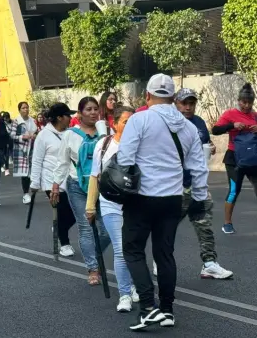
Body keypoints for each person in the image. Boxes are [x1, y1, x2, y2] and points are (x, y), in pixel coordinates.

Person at [118, 74, 208, 330]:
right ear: (173, 97)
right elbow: (199, 167)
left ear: (147, 96)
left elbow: (125, 159)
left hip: (142, 198)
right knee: (164, 254)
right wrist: (199, 199)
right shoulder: (189, 127)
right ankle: (167, 310)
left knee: (133, 251)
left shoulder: (140, 119)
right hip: (172, 199)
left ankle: (147, 307)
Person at [169, 89, 233, 279]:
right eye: (184, 103)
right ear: (176, 103)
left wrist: (211, 147)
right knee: (168, 226)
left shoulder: (198, 122)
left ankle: (209, 263)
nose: (188, 107)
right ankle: (160, 260)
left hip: (198, 183)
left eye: (191, 103)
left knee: (204, 225)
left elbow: (206, 141)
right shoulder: (170, 123)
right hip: (175, 185)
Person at [51, 97, 110, 286]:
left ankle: (94, 253)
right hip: (77, 186)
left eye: (95, 109)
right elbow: (62, 161)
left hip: (102, 186)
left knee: (107, 230)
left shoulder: (106, 132)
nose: (93, 113)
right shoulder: (70, 135)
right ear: (80, 113)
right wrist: (55, 185)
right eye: (88, 109)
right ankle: (93, 268)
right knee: (86, 227)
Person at [86, 106, 139, 312]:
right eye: (126, 122)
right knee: (120, 248)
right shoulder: (104, 144)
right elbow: (94, 175)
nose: (130, 126)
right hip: (110, 205)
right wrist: (90, 206)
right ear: (114, 124)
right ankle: (124, 294)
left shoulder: (140, 145)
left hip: (135, 206)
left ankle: (134, 285)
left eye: (133, 122)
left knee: (134, 249)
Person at [30, 103, 77, 258]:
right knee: (62, 212)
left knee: (75, 213)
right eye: (68, 115)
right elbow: (37, 160)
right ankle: (65, 244)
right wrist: (35, 183)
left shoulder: (70, 133)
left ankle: (58, 228)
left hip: (69, 178)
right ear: (59, 117)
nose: (71, 118)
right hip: (51, 181)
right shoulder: (44, 135)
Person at [212, 83, 257, 234]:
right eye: (244, 102)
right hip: (234, 159)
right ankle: (227, 223)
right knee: (234, 190)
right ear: (238, 100)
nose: (247, 105)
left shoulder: (255, 115)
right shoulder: (229, 114)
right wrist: (232, 125)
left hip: (252, 158)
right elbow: (215, 130)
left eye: (250, 102)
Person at [10, 102, 38, 204]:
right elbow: (12, 136)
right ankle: (26, 194)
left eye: (27, 107)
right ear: (19, 110)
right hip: (21, 149)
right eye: (23, 108)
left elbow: (37, 132)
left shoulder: (33, 121)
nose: (26, 109)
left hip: (32, 148)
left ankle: (33, 191)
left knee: (33, 171)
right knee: (25, 173)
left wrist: (35, 136)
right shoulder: (16, 121)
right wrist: (22, 137)